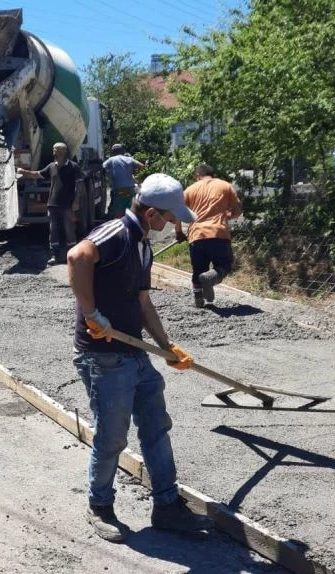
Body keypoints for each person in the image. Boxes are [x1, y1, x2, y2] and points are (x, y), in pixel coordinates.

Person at [67, 173, 214, 542]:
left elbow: (143, 302)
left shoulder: (142, 246)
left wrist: (166, 346)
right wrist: (91, 314)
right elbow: (76, 256)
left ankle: (166, 506)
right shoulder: (115, 234)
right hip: (103, 357)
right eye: (170, 217)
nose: (173, 223)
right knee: (112, 437)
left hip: (134, 352)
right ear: (151, 214)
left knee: (155, 426)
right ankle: (99, 505)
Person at [174, 164, 243, 308]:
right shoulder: (225, 186)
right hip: (218, 233)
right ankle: (211, 277)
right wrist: (227, 215)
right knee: (225, 265)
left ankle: (198, 299)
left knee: (198, 270)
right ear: (213, 174)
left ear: (198, 176)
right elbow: (237, 211)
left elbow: (178, 212)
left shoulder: (190, 189)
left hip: (196, 235)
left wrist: (179, 232)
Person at [17, 142, 82, 265]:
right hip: (53, 204)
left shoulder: (73, 167)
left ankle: (72, 256)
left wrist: (76, 201)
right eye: (53, 150)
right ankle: (55, 256)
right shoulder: (51, 167)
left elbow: (79, 185)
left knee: (69, 230)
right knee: (53, 231)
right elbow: (37, 174)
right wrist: (24, 171)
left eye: (56, 150)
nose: (54, 153)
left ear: (63, 152)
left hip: (67, 205)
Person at [102, 144, 145, 218]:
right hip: (130, 189)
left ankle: (120, 222)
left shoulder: (111, 159)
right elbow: (142, 166)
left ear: (113, 152)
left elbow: (102, 167)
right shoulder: (130, 159)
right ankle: (130, 221)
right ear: (123, 151)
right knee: (130, 208)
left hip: (121, 190)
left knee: (119, 210)